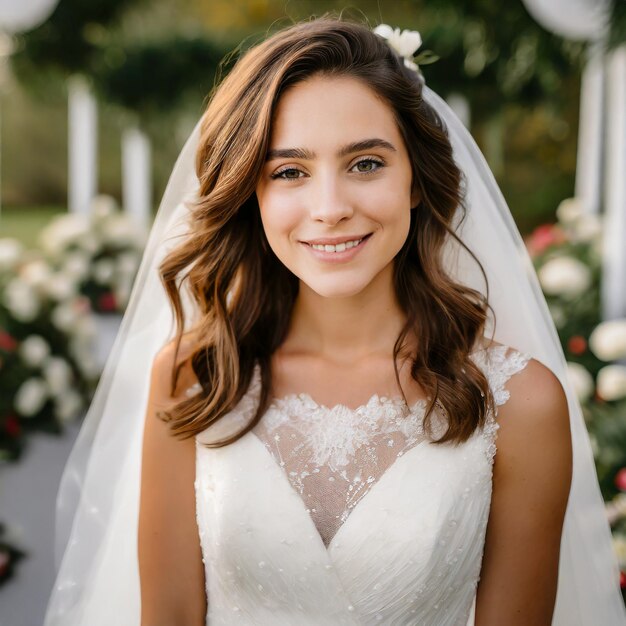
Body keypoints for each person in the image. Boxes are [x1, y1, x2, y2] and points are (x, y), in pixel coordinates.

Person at [44, 15, 626, 626]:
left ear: (416, 182)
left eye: (366, 163)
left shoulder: (520, 400)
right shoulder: (196, 376)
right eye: (289, 172)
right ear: (252, 194)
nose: (330, 209)